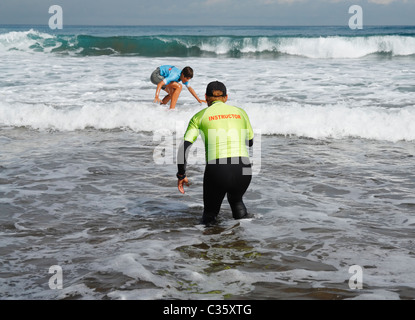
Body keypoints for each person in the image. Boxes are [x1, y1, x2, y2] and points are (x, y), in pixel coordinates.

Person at [176, 81, 254, 225]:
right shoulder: (241, 112)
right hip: (243, 168)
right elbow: (250, 142)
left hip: (218, 169)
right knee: (237, 203)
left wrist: (181, 174)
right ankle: (243, 243)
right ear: (226, 97)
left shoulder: (199, 116)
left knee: (210, 215)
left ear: (206, 97)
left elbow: (184, 147)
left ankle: (209, 244)